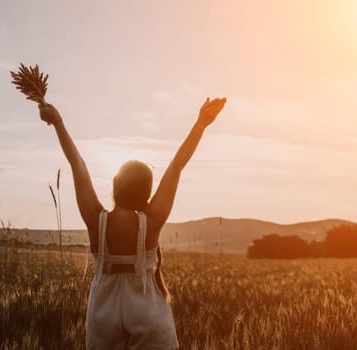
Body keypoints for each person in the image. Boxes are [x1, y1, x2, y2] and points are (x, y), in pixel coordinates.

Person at [38, 96, 226, 349]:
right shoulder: (152, 221)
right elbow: (176, 166)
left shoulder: (96, 219)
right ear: (147, 192)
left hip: (103, 311)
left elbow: (77, 164)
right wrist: (201, 124)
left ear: (115, 186)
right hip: (147, 308)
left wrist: (59, 123)